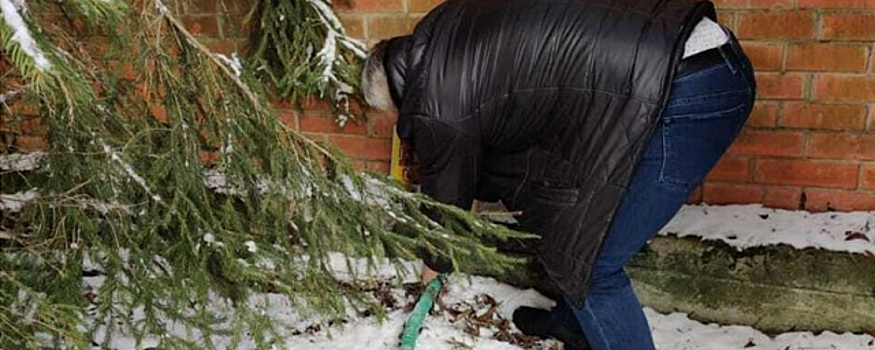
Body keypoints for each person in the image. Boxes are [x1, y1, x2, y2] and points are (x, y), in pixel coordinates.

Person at [360, 0, 756, 349]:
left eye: (390, 117)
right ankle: (572, 326)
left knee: (598, 265)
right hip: (678, 54)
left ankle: (594, 325)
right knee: (569, 216)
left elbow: (447, 202)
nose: (397, 125)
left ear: (393, 92)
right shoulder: (444, 31)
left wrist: (432, 274)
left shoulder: (437, 100)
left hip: (688, 88)